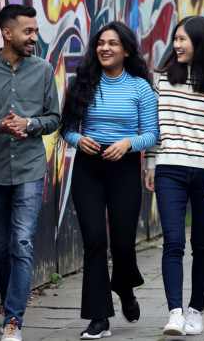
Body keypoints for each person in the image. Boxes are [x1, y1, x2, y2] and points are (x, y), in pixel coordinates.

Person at [0, 4, 60, 341]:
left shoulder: (44, 71)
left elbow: (53, 118)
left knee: (21, 241)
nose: (34, 37)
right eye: (28, 31)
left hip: (30, 169)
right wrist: (0, 127)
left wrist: (30, 124)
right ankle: (11, 306)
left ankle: (13, 321)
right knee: (1, 248)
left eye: (35, 31)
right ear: (8, 33)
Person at [60, 21, 158, 340]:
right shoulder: (83, 83)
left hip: (124, 167)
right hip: (89, 167)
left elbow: (152, 133)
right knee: (95, 242)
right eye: (101, 43)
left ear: (126, 50)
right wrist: (78, 140)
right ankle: (99, 317)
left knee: (122, 242)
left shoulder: (140, 87)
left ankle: (124, 286)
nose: (105, 48)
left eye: (113, 43)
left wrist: (129, 143)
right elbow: (67, 127)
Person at [143, 15, 204, 336]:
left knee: (202, 244)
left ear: (201, 42)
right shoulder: (162, 77)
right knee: (174, 241)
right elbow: (154, 125)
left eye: (183, 39)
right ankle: (175, 312)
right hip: (170, 169)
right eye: (175, 39)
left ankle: (196, 310)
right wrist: (151, 164)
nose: (177, 45)